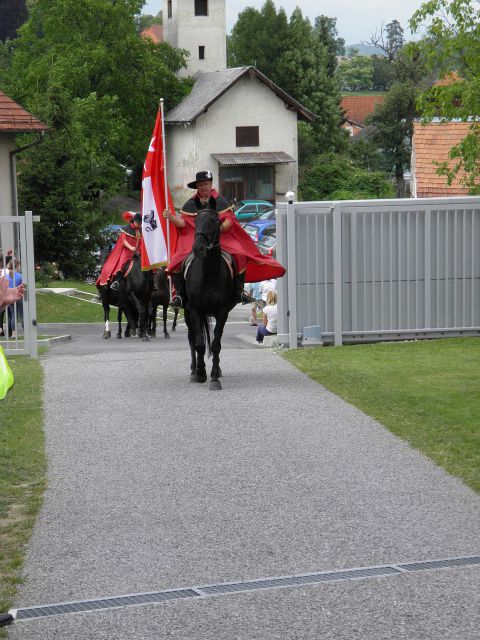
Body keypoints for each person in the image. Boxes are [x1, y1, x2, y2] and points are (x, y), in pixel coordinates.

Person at [164, 170, 285, 308]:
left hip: (221, 236)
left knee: (239, 254)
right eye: (201, 184)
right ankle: (179, 295)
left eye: (206, 184)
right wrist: (171, 218)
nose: (204, 187)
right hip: (195, 236)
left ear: (211, 184)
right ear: (197, 186)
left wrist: (219, 229)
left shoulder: (220, 201)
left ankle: (238, 292)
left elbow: (229, 221)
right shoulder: (190, 204)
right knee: (176, 259)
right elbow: (184, 223)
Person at [96, 212, 142, 291]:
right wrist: (131, 247)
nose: (140, 224)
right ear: (134, 221)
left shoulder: (139, 231)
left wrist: (139, 250)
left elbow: (140, 242)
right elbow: (124, 241)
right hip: (126, 251)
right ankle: (117, 281)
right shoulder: (126, 229)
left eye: (140, 222)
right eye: (138, 222)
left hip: (136, 251)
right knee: (123, 263)